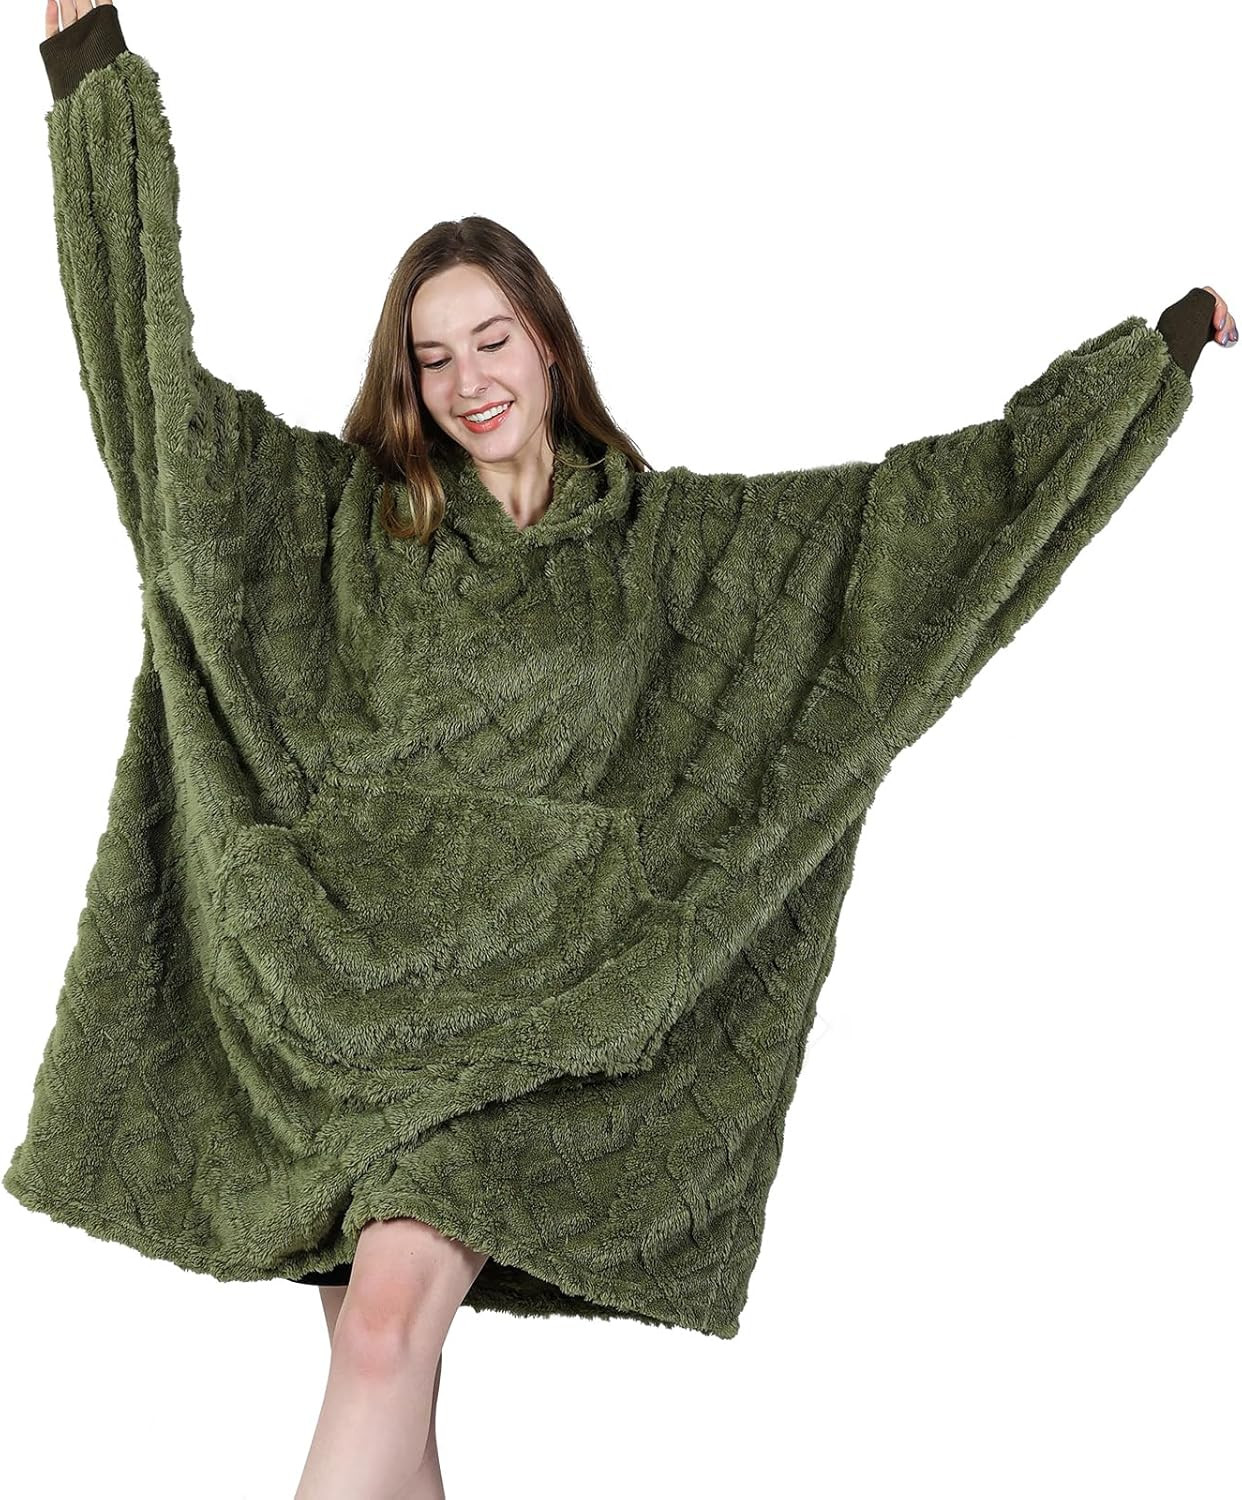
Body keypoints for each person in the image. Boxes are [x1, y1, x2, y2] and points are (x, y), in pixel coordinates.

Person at [12, 4, 1235, 1499]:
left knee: (384, 1338)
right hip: (339, 1032)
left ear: (545, 345)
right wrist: (91, 85)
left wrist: (1145, 369)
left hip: (527, 1043)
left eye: (493, 341)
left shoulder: (673, 553)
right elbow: (150, 391)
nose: (469, 380)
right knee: (390, 1379)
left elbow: (910, 532)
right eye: (433, 355)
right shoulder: (334, 519)